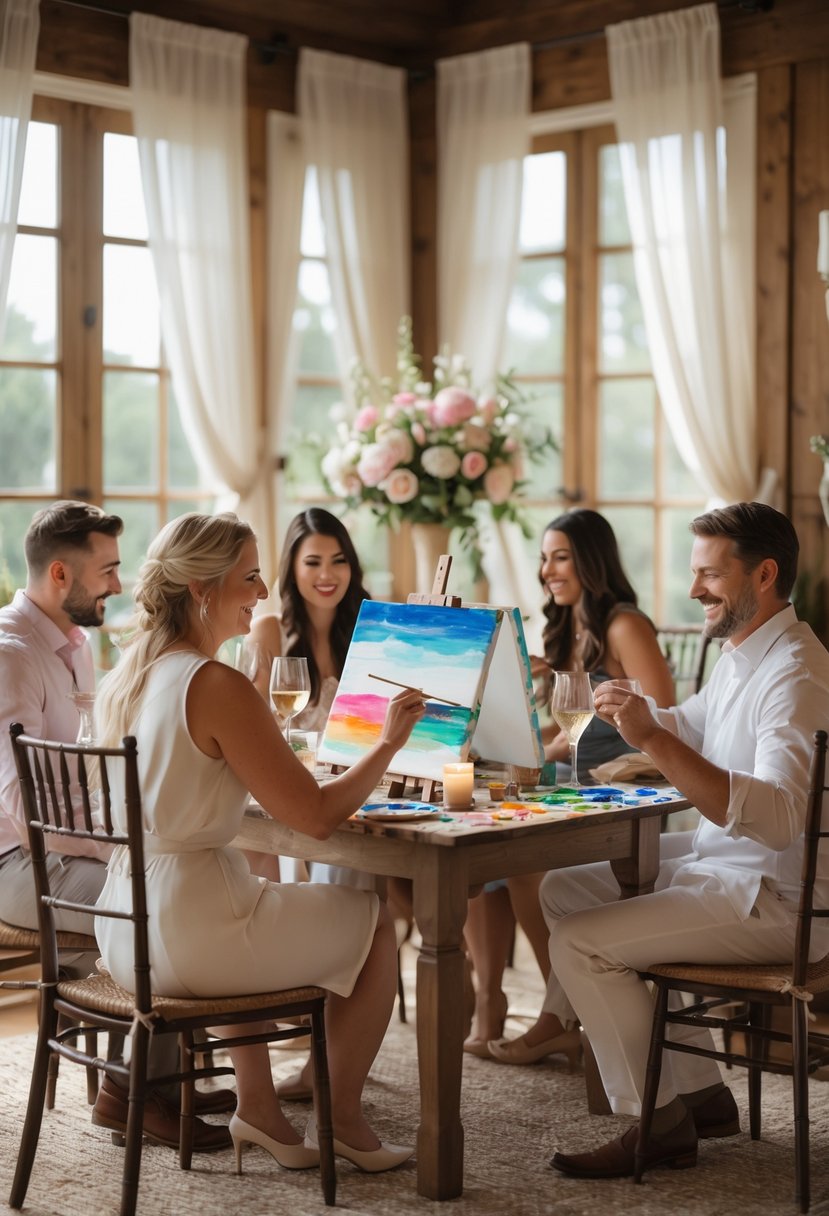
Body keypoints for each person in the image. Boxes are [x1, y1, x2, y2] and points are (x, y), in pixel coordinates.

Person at [94, 512, 426, 1173]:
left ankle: (261, 1108)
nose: (261, 594)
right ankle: (345, 1121)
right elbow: (315, 816)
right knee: (375, 927)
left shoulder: (132, 673)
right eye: (248, 577)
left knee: (259, 900)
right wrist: (388, 742)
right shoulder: (215, 684)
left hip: (126, 930)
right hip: (189, 937)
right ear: (201, 587)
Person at [532, 502, 829, 1181]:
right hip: (723, 868)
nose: (692, 590)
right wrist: (639, 714)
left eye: (707, 575)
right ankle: (700, 1094)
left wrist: (653, 738)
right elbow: (690, 726)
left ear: (762, 575)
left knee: (579, 942)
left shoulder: (795, 674)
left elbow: (782, 816)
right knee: (565, 886)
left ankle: (658, 1123)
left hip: (772, 900)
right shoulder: (740, 655)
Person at [0, 500, 232, 1153]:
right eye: (106, 570)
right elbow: (24, 811)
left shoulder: (72, 644)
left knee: (169, 884)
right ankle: (135, 1092)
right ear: (59, 576)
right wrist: (116, 849)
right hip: (13, 864)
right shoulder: (11, 655)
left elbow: (83, 779)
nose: (118, 585)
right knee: (154, 909)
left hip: (56, 853)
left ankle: (158, 1074)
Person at [467, 509, 675, 1060]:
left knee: (520, 861)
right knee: (487, 850)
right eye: (543, 558)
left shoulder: (623, 624)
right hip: (574, 781)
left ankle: (561, 1013)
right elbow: (565, 735)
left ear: (590, 560)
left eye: (559, 557)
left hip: (623, 790)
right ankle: (531, 1005)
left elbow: (665, 715)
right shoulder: (569, 629)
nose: (546, 571)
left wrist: (550, 744)